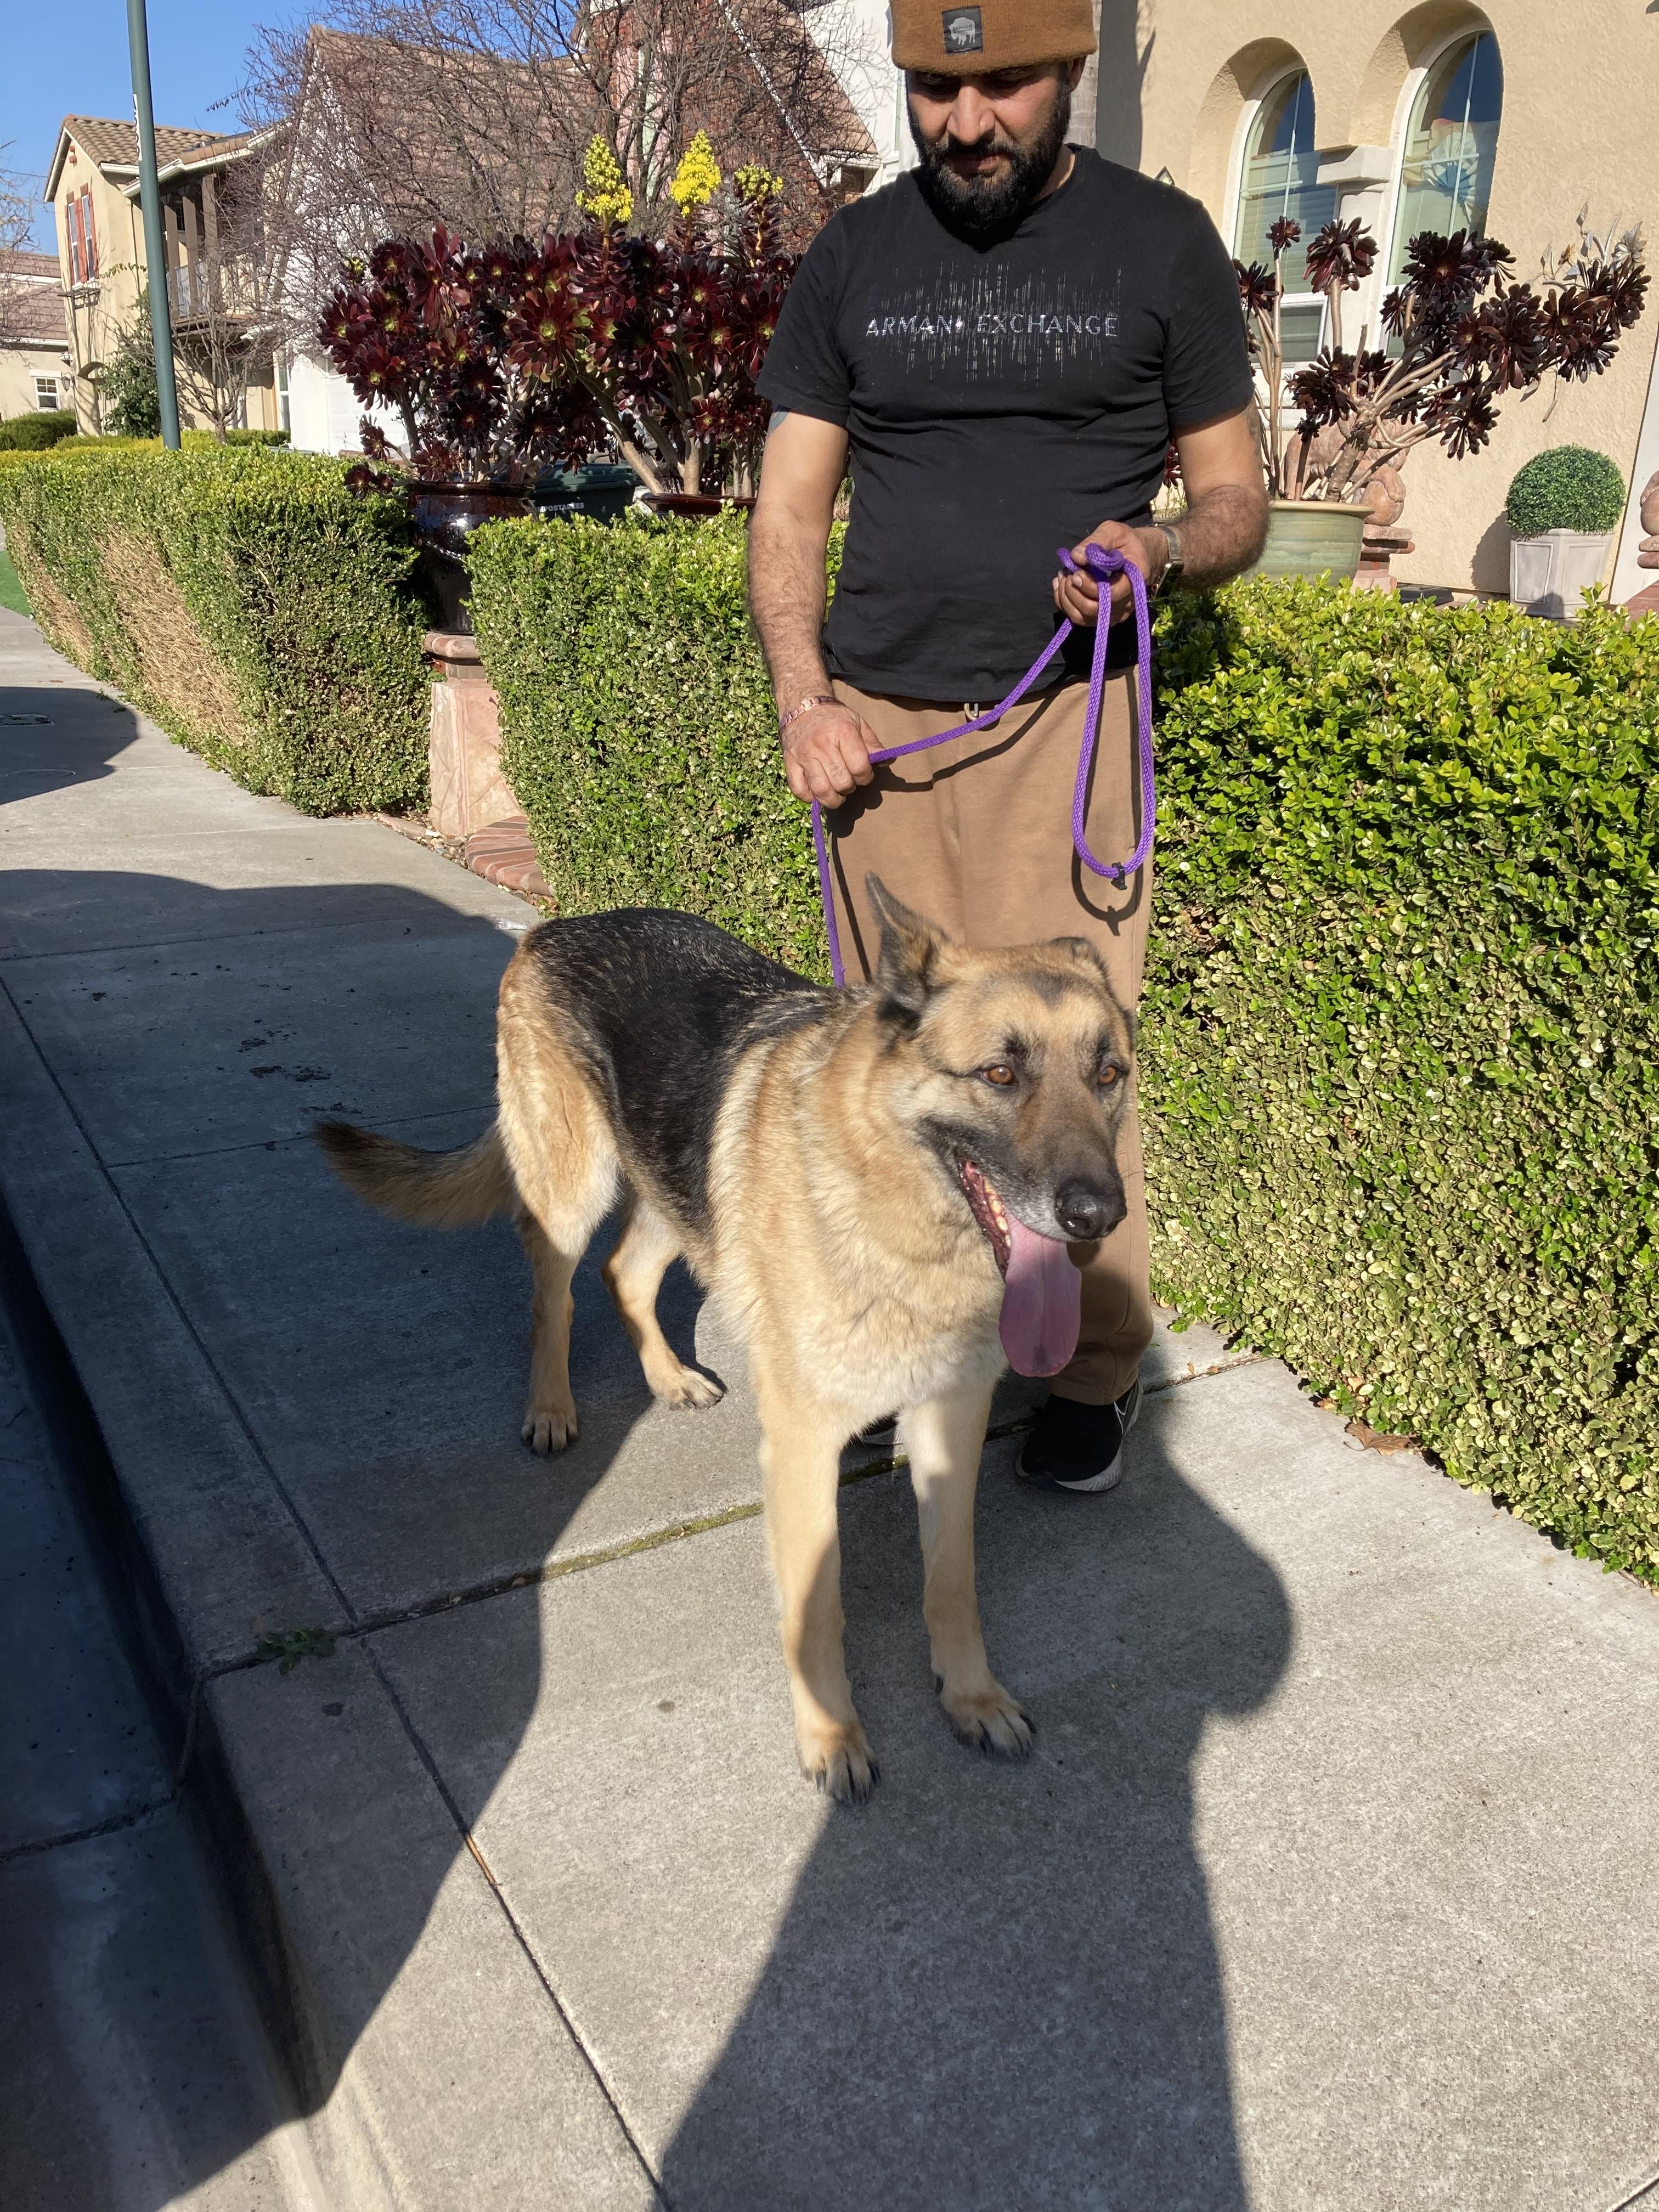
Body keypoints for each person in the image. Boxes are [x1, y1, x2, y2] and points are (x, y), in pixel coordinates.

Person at [748, 0, 1268, 1494]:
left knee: (1072, 1078)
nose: (964, 122)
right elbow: (787, 513)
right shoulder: (852, 256)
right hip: (876, 733)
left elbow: (1236, 498)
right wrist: (804, 698)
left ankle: (1090, 1379)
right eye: (934, 87)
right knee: (889, 1073)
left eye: (1004, 86)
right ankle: (899, 1356)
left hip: (1068, 719)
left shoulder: (1161, 246)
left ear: (1072, 72)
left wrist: (1163, 547)